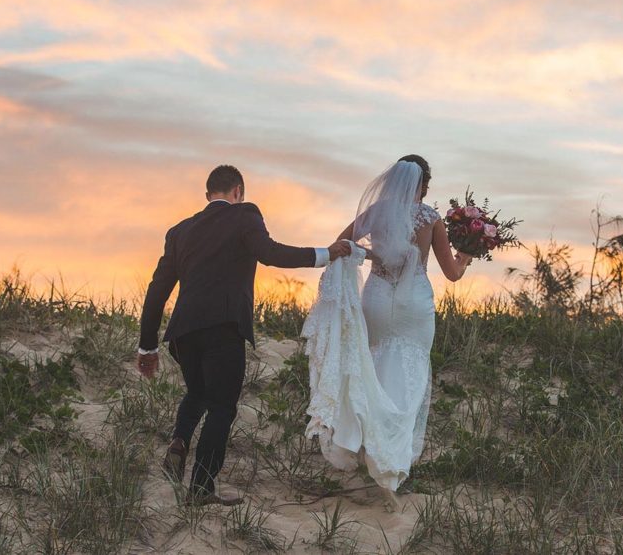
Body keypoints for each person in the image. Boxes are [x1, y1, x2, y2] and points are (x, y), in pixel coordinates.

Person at [136, 164, 351, 506]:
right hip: (223, 328)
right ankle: (201, 489)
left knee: (198, 392)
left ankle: (179, 439)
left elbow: (157, 289)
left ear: (209, 194)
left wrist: (147, 346)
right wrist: (325, 254)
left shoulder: (179, 231)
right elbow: (270, 253)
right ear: (238, 192)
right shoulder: (245, 215)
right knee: (222, 407)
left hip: (183, 333)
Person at [302, 155, 472, 507]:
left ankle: (366, 444)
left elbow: (341, 244)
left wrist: (373, 256)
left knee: (373, 368)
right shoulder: (430, 219)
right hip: (413, 304)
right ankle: (389, 462)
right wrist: (468, 254)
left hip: (378, 299)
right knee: (409, 377)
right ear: (422, 185)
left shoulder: (377, 213)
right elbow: (453, 273)